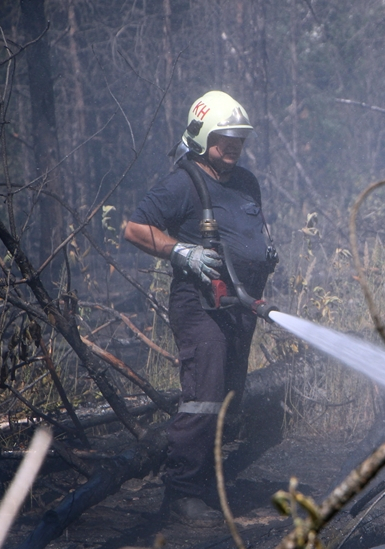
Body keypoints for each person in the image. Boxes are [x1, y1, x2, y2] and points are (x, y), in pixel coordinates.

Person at [124, 90, 277, 526]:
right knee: (203, 399)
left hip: (240, 306)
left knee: (228, 400)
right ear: (204, 134)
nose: (233, 145)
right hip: (201, 306)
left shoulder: (247, 182)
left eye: (239, 138)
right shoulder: (184, 182)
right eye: (224, 137)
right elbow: (134, 228)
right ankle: (182, 493)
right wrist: (180, 253)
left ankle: (208, 484)